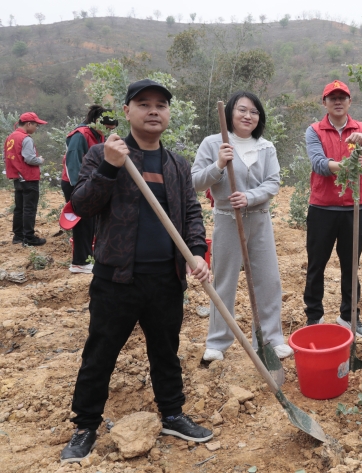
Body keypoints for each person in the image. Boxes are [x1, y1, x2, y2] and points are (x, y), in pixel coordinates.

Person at [60, 79, 213, 464]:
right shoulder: (103, 155)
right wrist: (110, 169)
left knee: (166, 350)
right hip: (116, 277)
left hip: (166, 278)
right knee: (101, 353)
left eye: (161, 104)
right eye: (143, 104)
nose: (153, 110)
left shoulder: (176, 164)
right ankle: (85, 426)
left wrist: (196, 253)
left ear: (168, 114)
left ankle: (173, 414)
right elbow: (82, 204)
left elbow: (191, 214)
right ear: (127, 112)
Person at [192, 90, 291, 362]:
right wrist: (219, 165)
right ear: (230, 113)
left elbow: (273, 182)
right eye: (242, 110)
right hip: (226, 220)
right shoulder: (213, 144)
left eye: (254, 112)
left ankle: (269, 339)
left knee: (268, 281)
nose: (248, 116)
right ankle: (217, 342)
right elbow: (195, 182)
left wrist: (250, 196)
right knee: (224, 281)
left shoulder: (266, 147)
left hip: (259, 219)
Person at [303, 80, 362, 337]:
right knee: (316, 265)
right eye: (332, 97)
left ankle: (349, 316)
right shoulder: (314, 130)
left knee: (351, 266)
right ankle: (314, 316)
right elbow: (319, 164)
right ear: (324, 102)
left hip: (354, 208)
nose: (337, 101)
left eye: (342, 97)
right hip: (322, 208)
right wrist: (349, 164)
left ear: (349, 102)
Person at [61, 105, 118, 273]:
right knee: (83, 221)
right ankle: (79, 262)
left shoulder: (97, 135)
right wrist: (81, 190)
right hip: (76, 183)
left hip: (90, 183)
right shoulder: (81, 135)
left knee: (91, 221)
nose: (107, 132)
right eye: (107, 128)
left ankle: (87, 257)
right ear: (97, 121)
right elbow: (73, 164)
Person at [4, 112, 47, 246]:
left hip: (17, 178)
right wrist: (39, 160)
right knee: (29, 208)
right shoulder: (26, 138)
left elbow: (5, 158)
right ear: (28, 124)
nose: (36, 128)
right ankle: (29, 237)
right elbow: (29, 158)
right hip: (29, 177)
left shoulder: (10, 137)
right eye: (35, 125)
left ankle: (18, 236)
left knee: (19, 208)